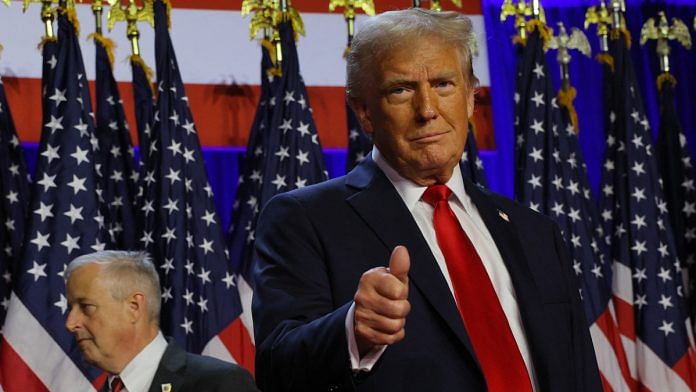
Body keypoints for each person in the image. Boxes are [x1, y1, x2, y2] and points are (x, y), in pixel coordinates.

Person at [252, 8, 601, 392]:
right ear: (364, 111)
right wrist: (352, 331)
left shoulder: (536, 233)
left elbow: (579, 372)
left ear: (470, 97)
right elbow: (277, 370)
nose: (428, 110)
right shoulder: (305, 219)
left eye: (444, 84)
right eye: (400, 89)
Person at [64, 250, 259, 392]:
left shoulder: (218, 384)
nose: (71, 323)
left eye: (86, 307)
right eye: (70, 308)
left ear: (134, 307)